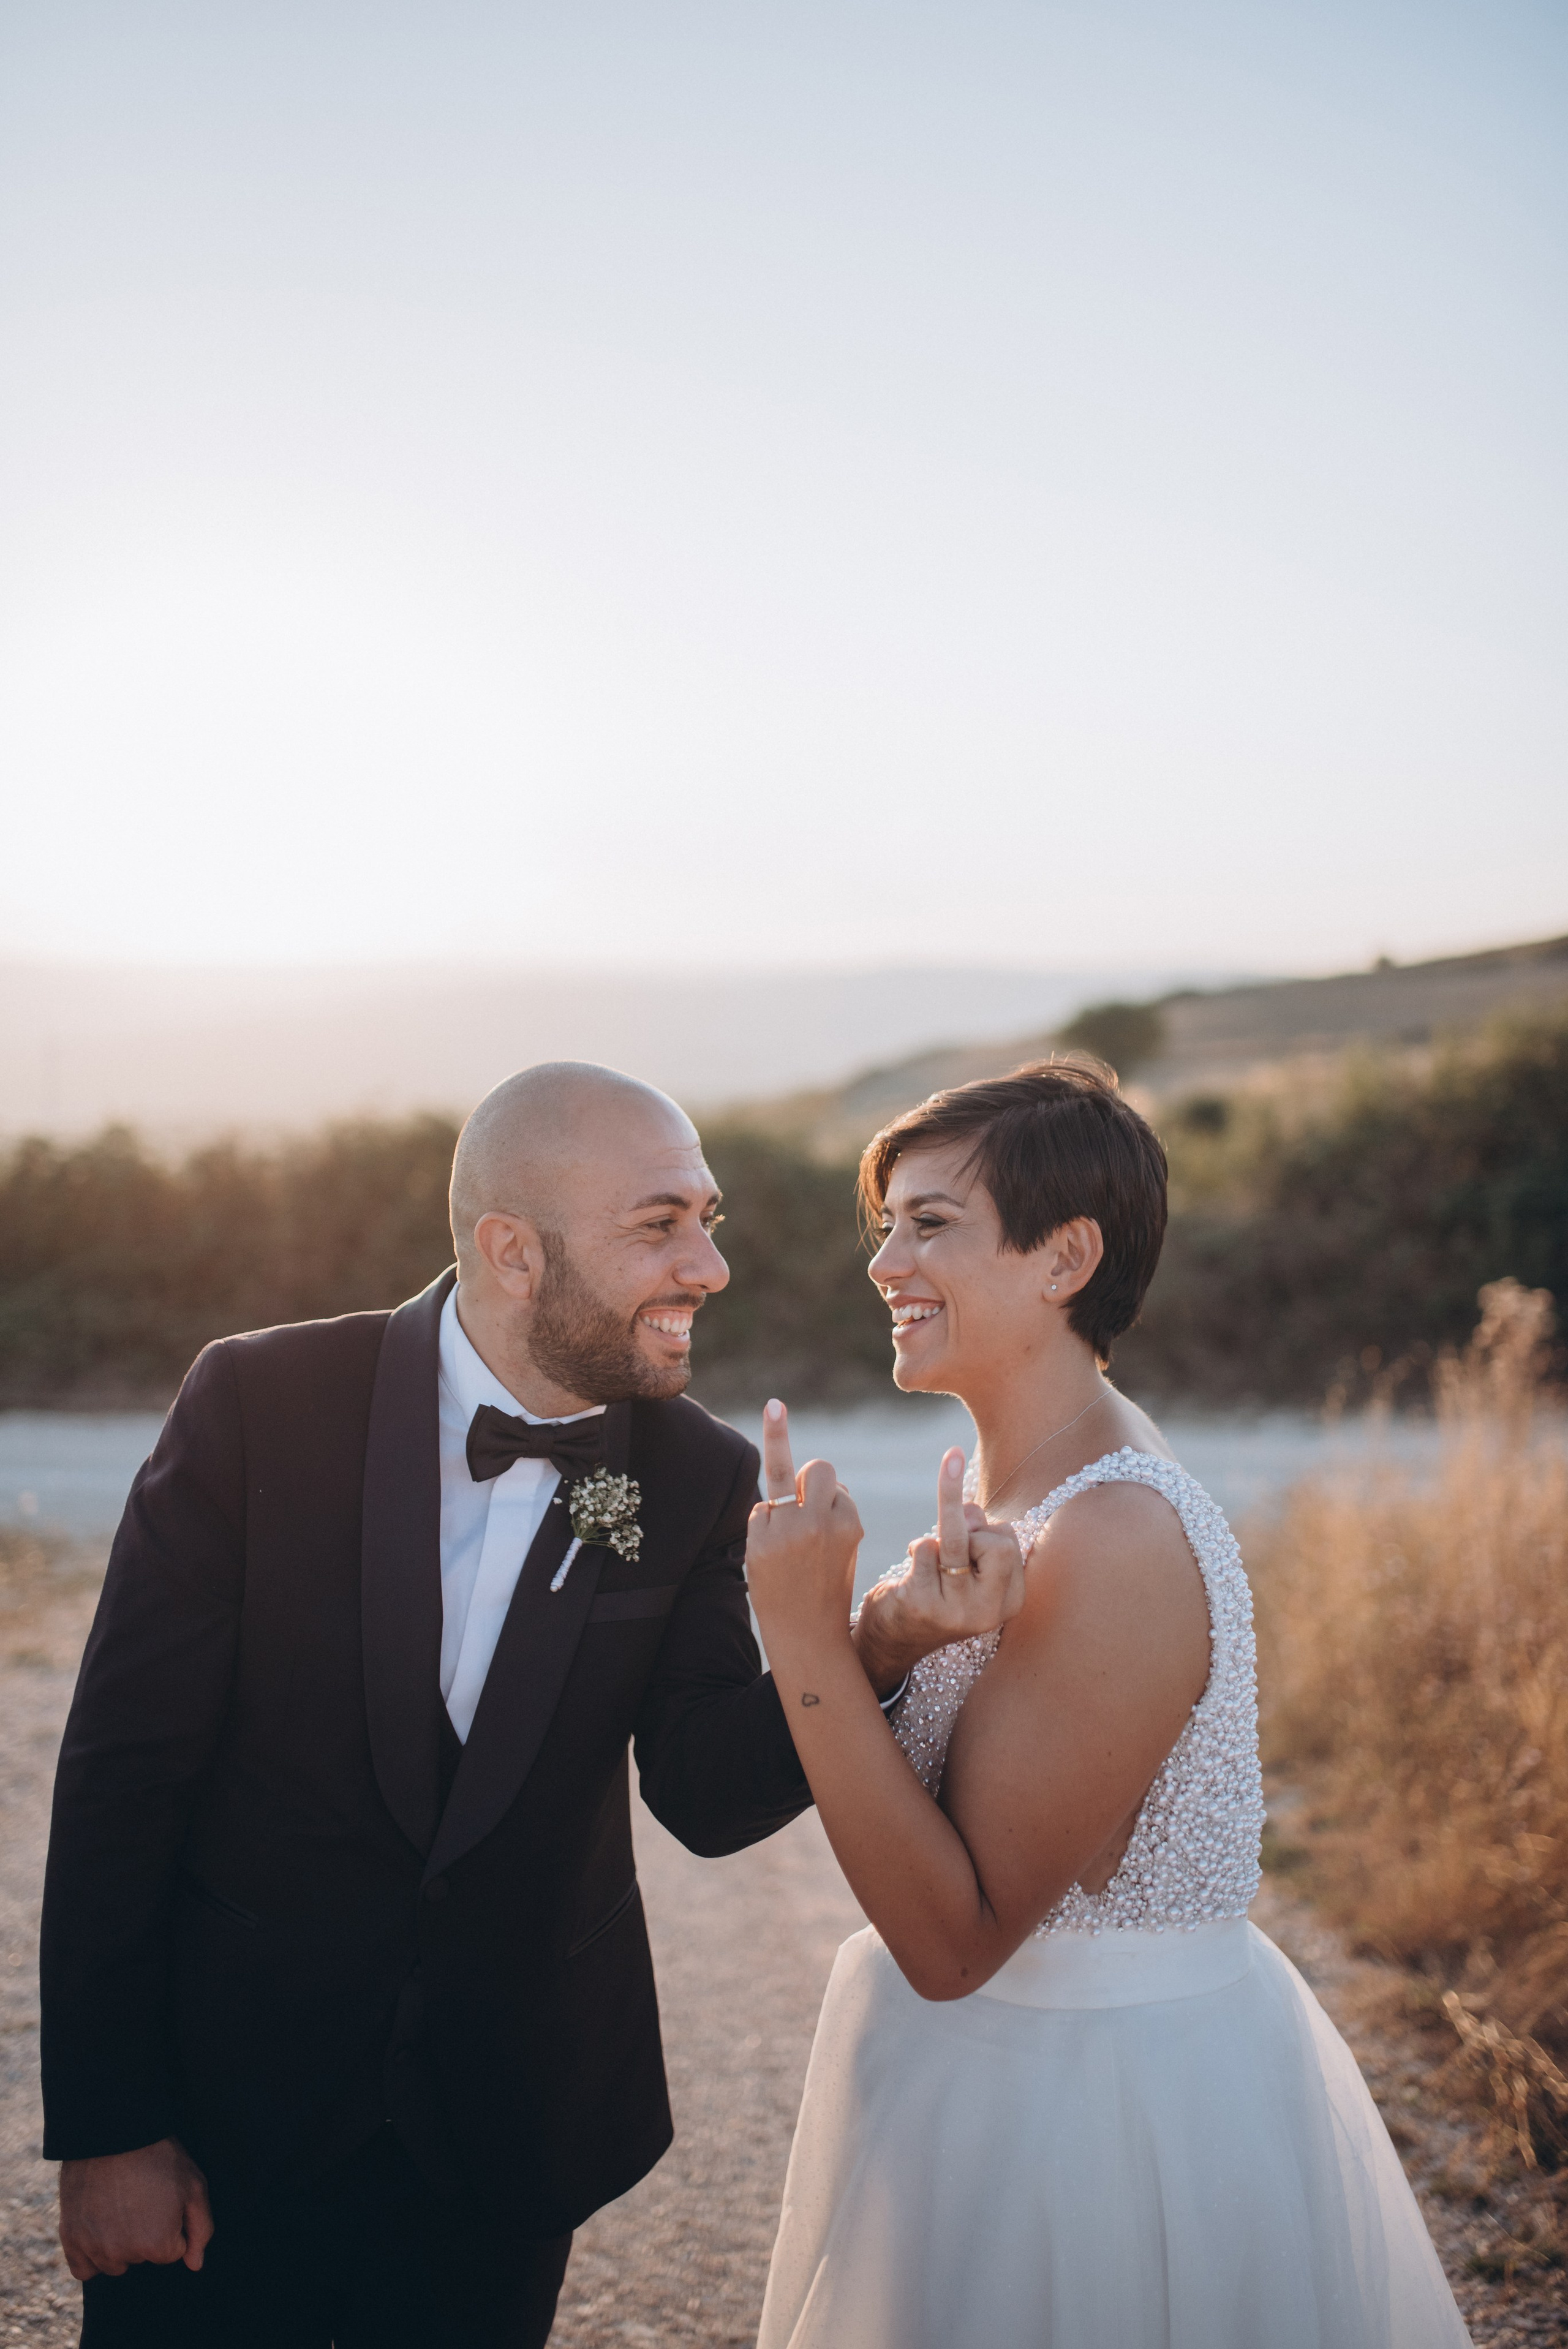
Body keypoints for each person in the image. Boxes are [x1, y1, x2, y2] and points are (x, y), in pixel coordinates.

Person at [40, 1061, 1016, 2349]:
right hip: (229, 2119)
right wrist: (112, 2126)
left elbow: (706, 1796)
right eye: (658, 1225)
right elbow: (123, 1774)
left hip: (502, 2141)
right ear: (513, 1251)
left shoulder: (697, 1475)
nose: (710, 1267)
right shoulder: (259, 1406)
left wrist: (869, 1641)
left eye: (707, 1218)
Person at [746, 1058, 1471, 2349]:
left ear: (1065, 1257)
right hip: (1002, 2082)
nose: (884, 1264)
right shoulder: (1035, 1486)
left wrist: (800, 1634)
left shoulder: (1117, 1531)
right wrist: (887, 1634)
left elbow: (953, 1946)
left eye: (929, 1224)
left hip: (1094, 2123)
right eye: (885, 1226)